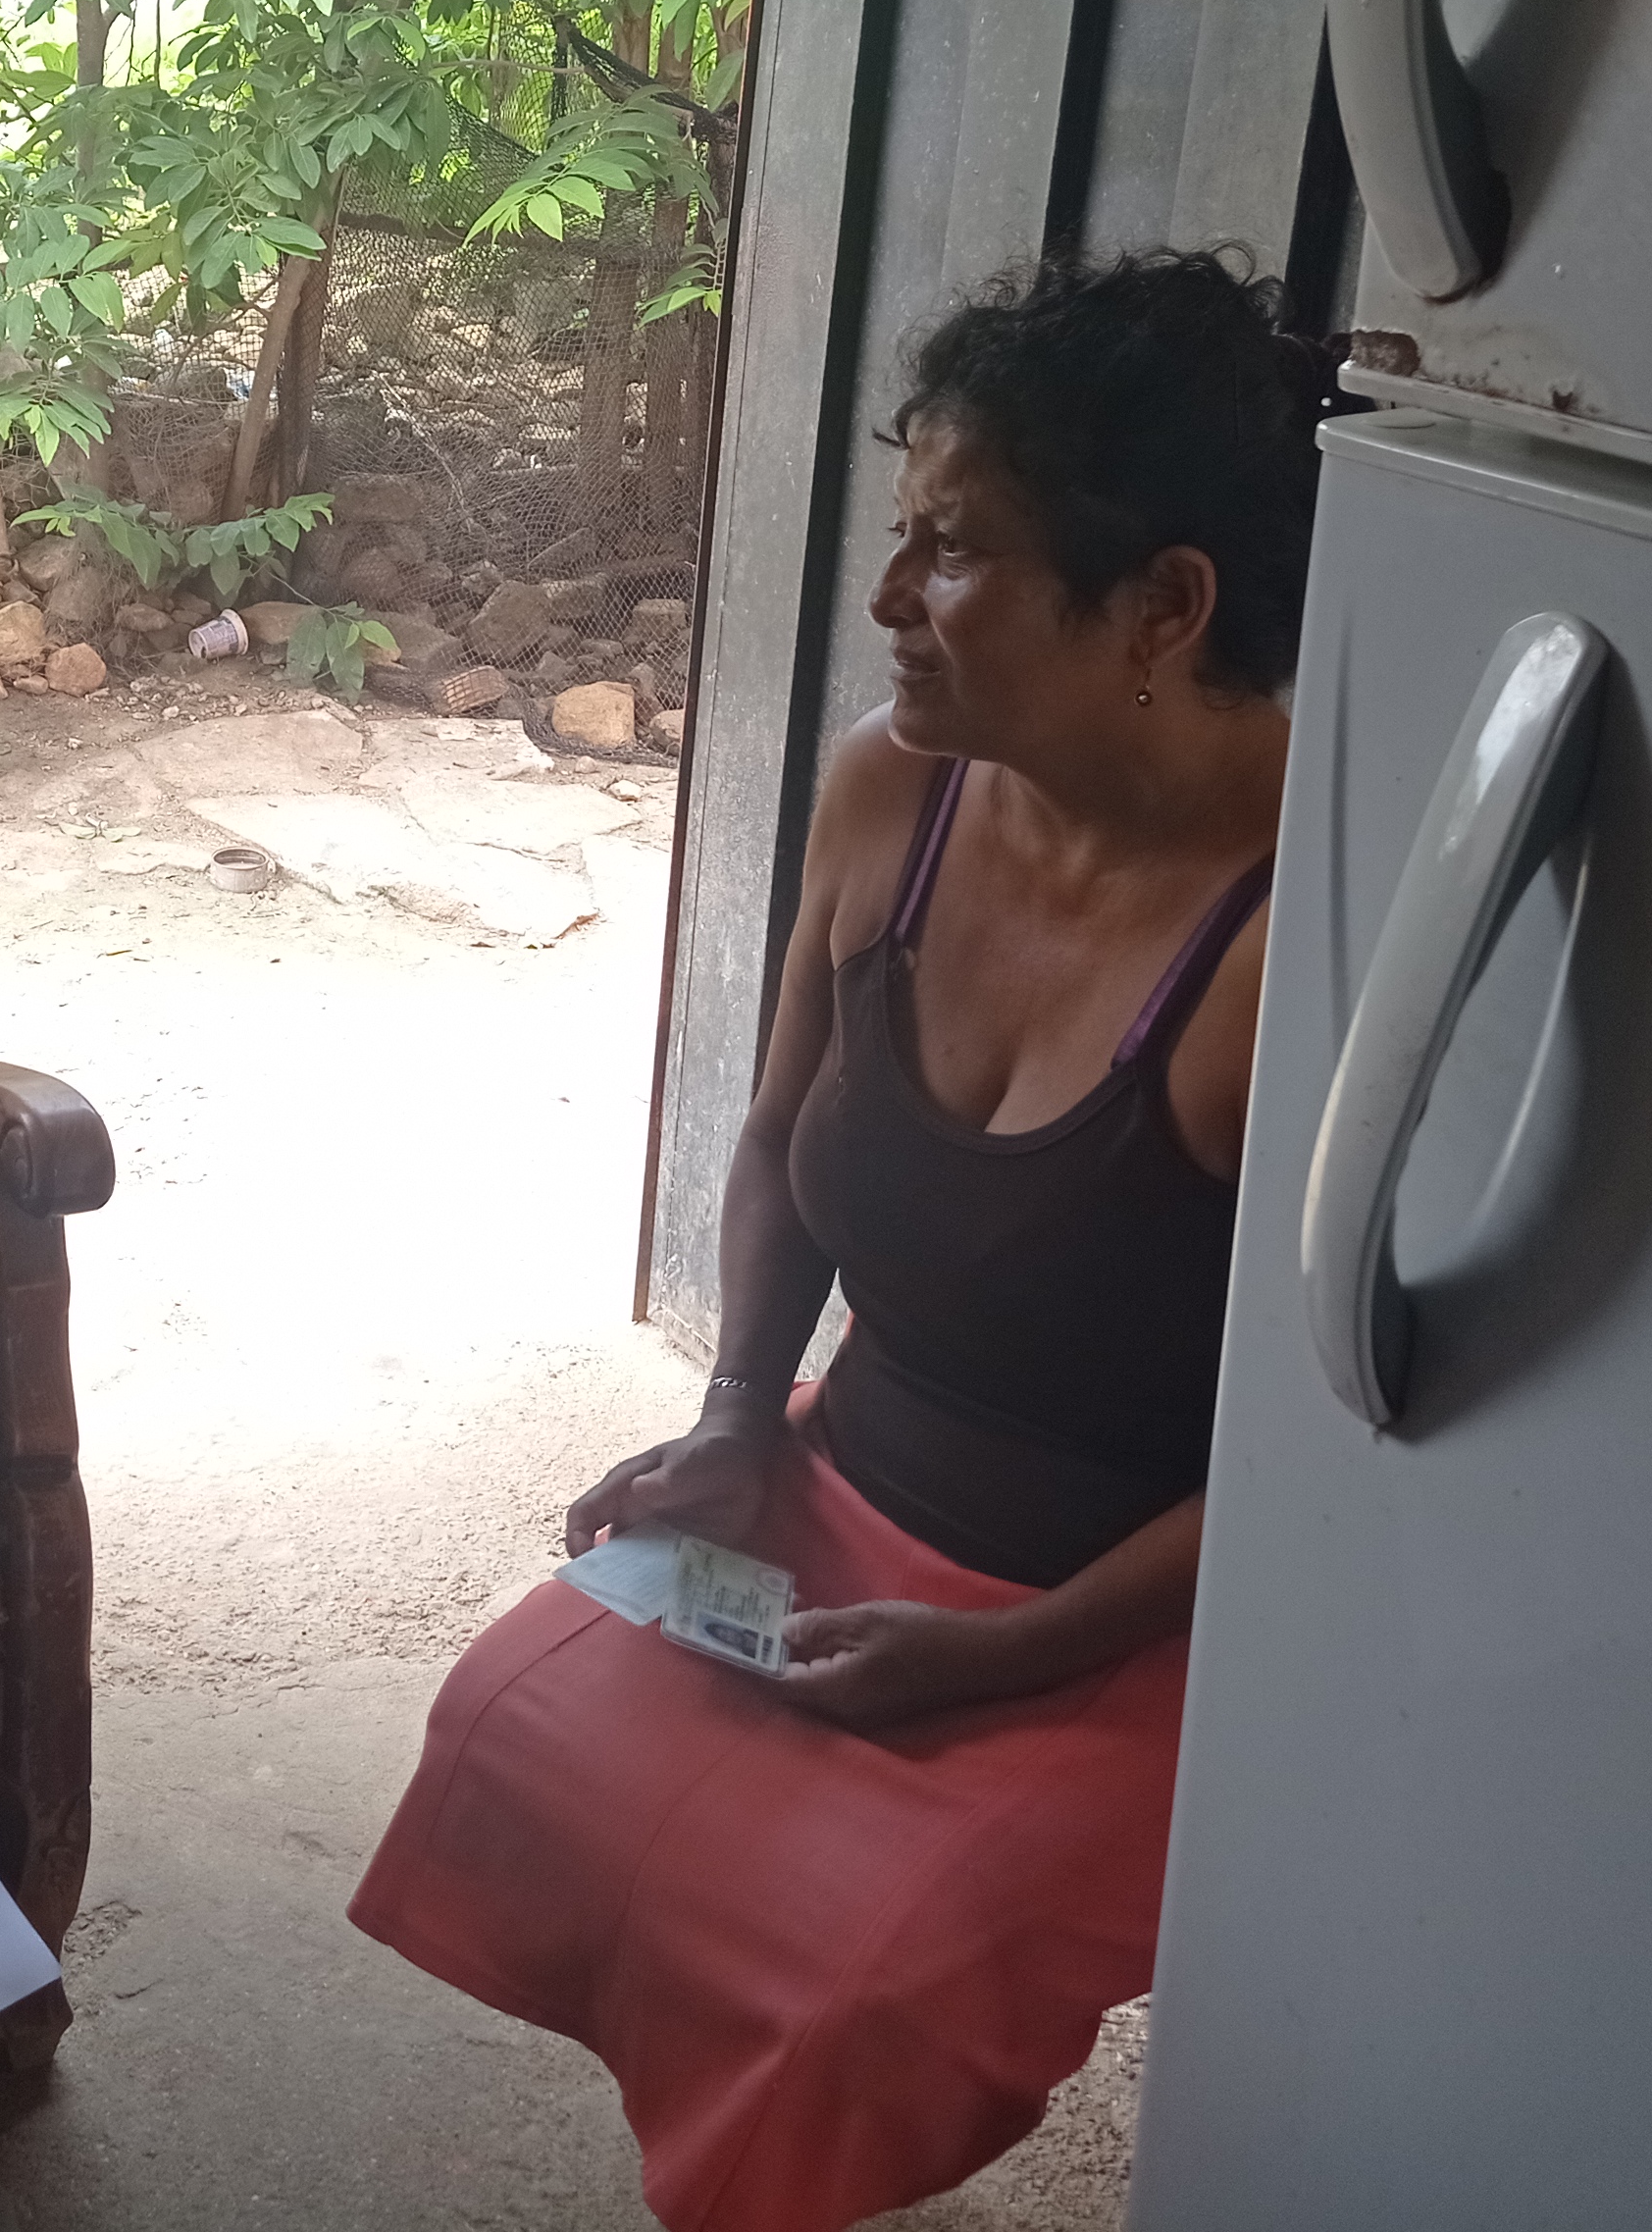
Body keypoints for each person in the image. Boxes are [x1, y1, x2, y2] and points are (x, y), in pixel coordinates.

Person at [351, 251, 1332, 2232]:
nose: (887, 597)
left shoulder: (1302, 937)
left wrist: (1010, 1654)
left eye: (952, 551)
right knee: (518, 1729)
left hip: (1131, 1614)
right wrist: (735, 1412)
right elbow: (776, 1135)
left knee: (857, 1986)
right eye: (901, 531)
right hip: (844, 1473)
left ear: (1163, 606)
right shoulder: (894, 795)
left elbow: (1323, 1470)